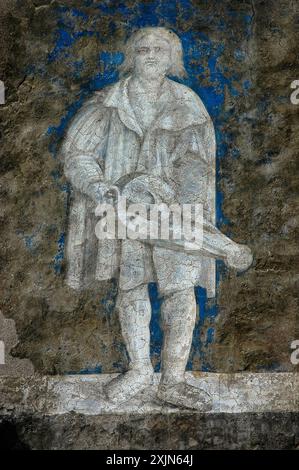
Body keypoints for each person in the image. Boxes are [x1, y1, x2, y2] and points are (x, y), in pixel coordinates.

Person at [61, 27, 252, 410]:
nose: (150, 55)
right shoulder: (110, 102)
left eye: (159, 50)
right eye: (143, 49)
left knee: (179, 293)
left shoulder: (188, 104)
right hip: (121, 208)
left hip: (176, 213)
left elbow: (199, 166)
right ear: (131, 57)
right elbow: (76, 154)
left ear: (172, 58)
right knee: (131, 289)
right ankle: (139, 372)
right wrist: (99, 186)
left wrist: (176, 203)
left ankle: (174, 381)